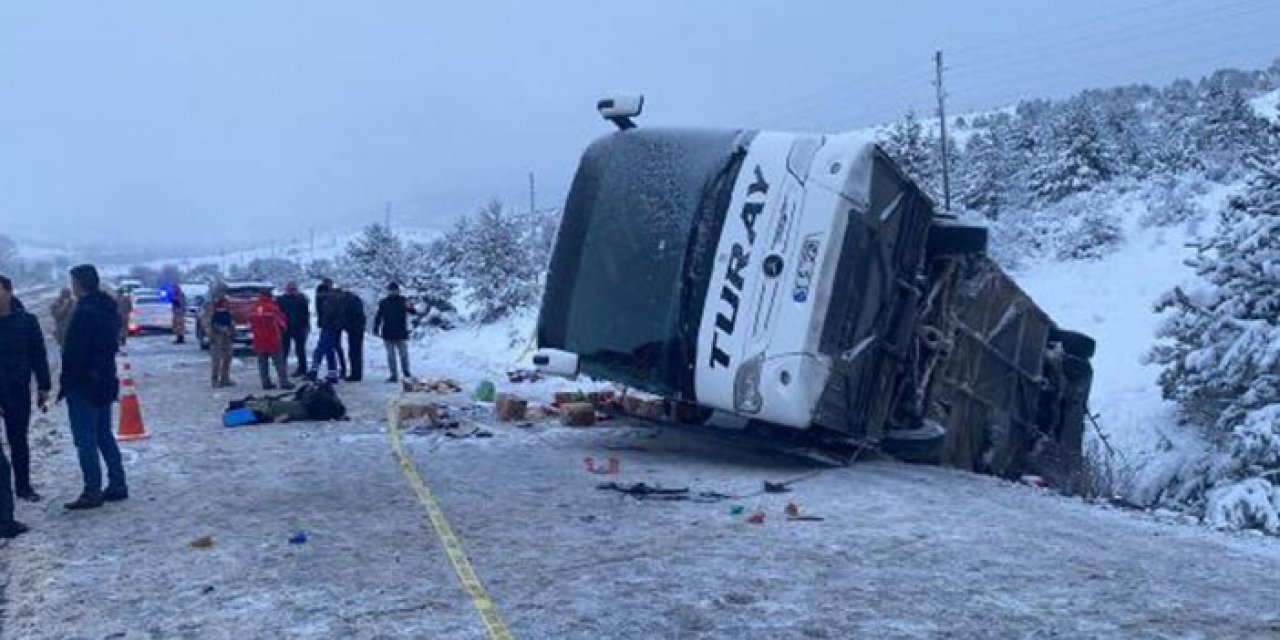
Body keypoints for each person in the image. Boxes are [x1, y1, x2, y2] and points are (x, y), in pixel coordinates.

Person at [60, 264, 128, 510]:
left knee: (85, 440)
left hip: (84, 384)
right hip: (105, 380)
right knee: (103, 435)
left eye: (73, 282)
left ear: (79, 284)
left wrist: (67, 382)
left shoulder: (85, 313)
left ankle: (92, 490)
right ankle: (117, 483)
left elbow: (75, 353)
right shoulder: (107, 309)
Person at [0, 275, 52, 505]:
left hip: (17, 387)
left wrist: (44, 385)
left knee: (18, 440)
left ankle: (23, 486)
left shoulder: (27, 321)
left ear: (9, 293)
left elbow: (38, 355)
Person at [373, 282, 417, 383]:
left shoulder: (403, 301)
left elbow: (413, 312)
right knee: (391, 356)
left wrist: (410, 307)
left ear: (398, 291)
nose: (393, 292)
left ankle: (406, 371)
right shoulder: (383, 302)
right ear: (388, 291)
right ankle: (393, 374)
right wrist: (376, 328)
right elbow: (378, 316)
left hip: (401, 332)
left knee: (403, 354)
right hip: (388, 333)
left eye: (395, 290)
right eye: (391, 290)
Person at [248, 291, 292, 390]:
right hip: (272, 339)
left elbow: (250, 323)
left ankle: (265, 383)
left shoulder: (254, 307)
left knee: (262, 363)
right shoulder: (273, 308)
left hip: (259, 340)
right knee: (279, 363)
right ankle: (284, 382)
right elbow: (282, 322)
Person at [309, 282, 346, 383]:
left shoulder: (329, 301)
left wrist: (326, 324)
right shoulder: (336, 300)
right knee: (329, 351)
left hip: (329, 328)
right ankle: (332, 374)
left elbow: (329, 315)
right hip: (333, 329)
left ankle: (314, 370)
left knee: (320, 350)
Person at [200, 288, 236, 388]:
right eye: (220, 292)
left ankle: (225, 378)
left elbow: (230, 317)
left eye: (224, 292)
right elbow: (206, 320)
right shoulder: (210, 305)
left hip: (227, 334)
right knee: (216, 359)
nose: (222, 294)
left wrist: (232, 329)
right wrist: (210, 332)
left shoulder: (226, 303)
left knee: (228, 357)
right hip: (216, 335)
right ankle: (214, 380)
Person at [278, 281, 310, 377]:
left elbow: (306, 314)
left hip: (299, 328)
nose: (292, 291)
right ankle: (282, 369)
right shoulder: (281, 300)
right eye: (290, 289)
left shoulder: (301, 299)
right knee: (284, 349)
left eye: (293, 289)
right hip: (286, 328)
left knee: (300, 349)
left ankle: (302, 368)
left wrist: (306, 326)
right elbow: (279, 314)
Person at [341, 289, 367, 382]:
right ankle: (356, 373)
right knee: (356, 352)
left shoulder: (349, 302)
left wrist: (345, 325)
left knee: (354, 352)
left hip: (354, 329)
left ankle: (355, 374)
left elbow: (349, 316)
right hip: (357, 329)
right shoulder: (355, 300)